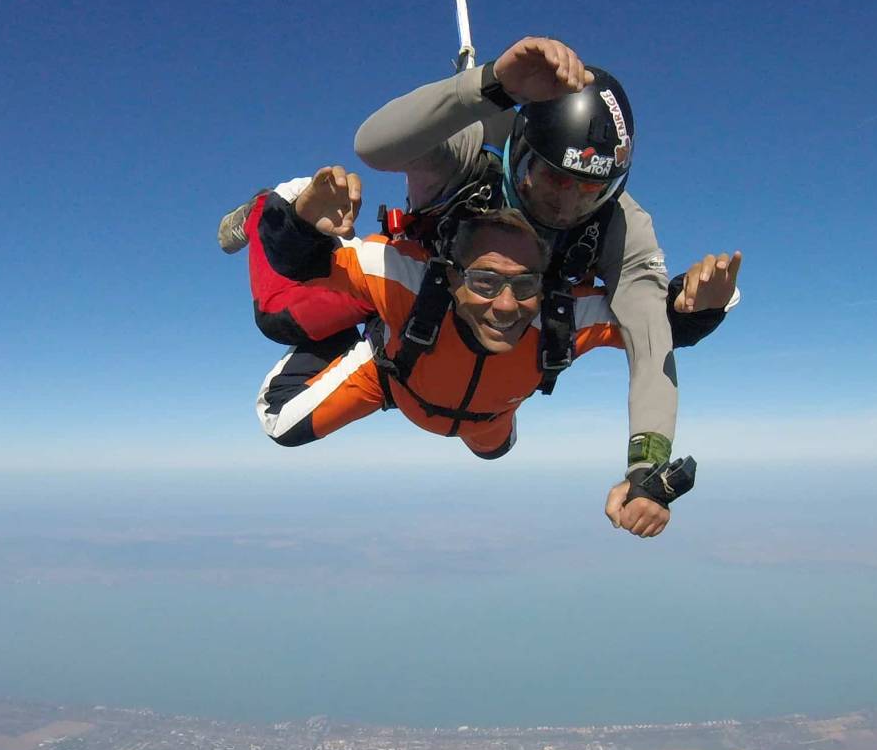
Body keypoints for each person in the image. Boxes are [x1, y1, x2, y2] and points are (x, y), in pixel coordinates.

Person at [252, 166, 738, 537]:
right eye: (484, 281)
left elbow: (653, 330)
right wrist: (298, 216)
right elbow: (302, 265)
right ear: (452, 274)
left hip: (489, 417)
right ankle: (269, 221)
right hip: (389, 376)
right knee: (280, 419)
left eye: (524, 285)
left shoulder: (560, 318)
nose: (505, 305)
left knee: (496, 450)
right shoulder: (406, 277)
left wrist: (697, 306)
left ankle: (483, 400)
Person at [352, 38, 724, 522]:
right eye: (557, 179)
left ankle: (489, 423)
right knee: (288, 339)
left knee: (491, 446)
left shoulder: (621, 224)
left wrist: (645, 467)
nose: (568, 204)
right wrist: (489, 84)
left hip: (502, 370)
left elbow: (649, 339)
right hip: (410, 324)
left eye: (591, 188)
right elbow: (373, 146)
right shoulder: (472, 152)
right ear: (523, 152)